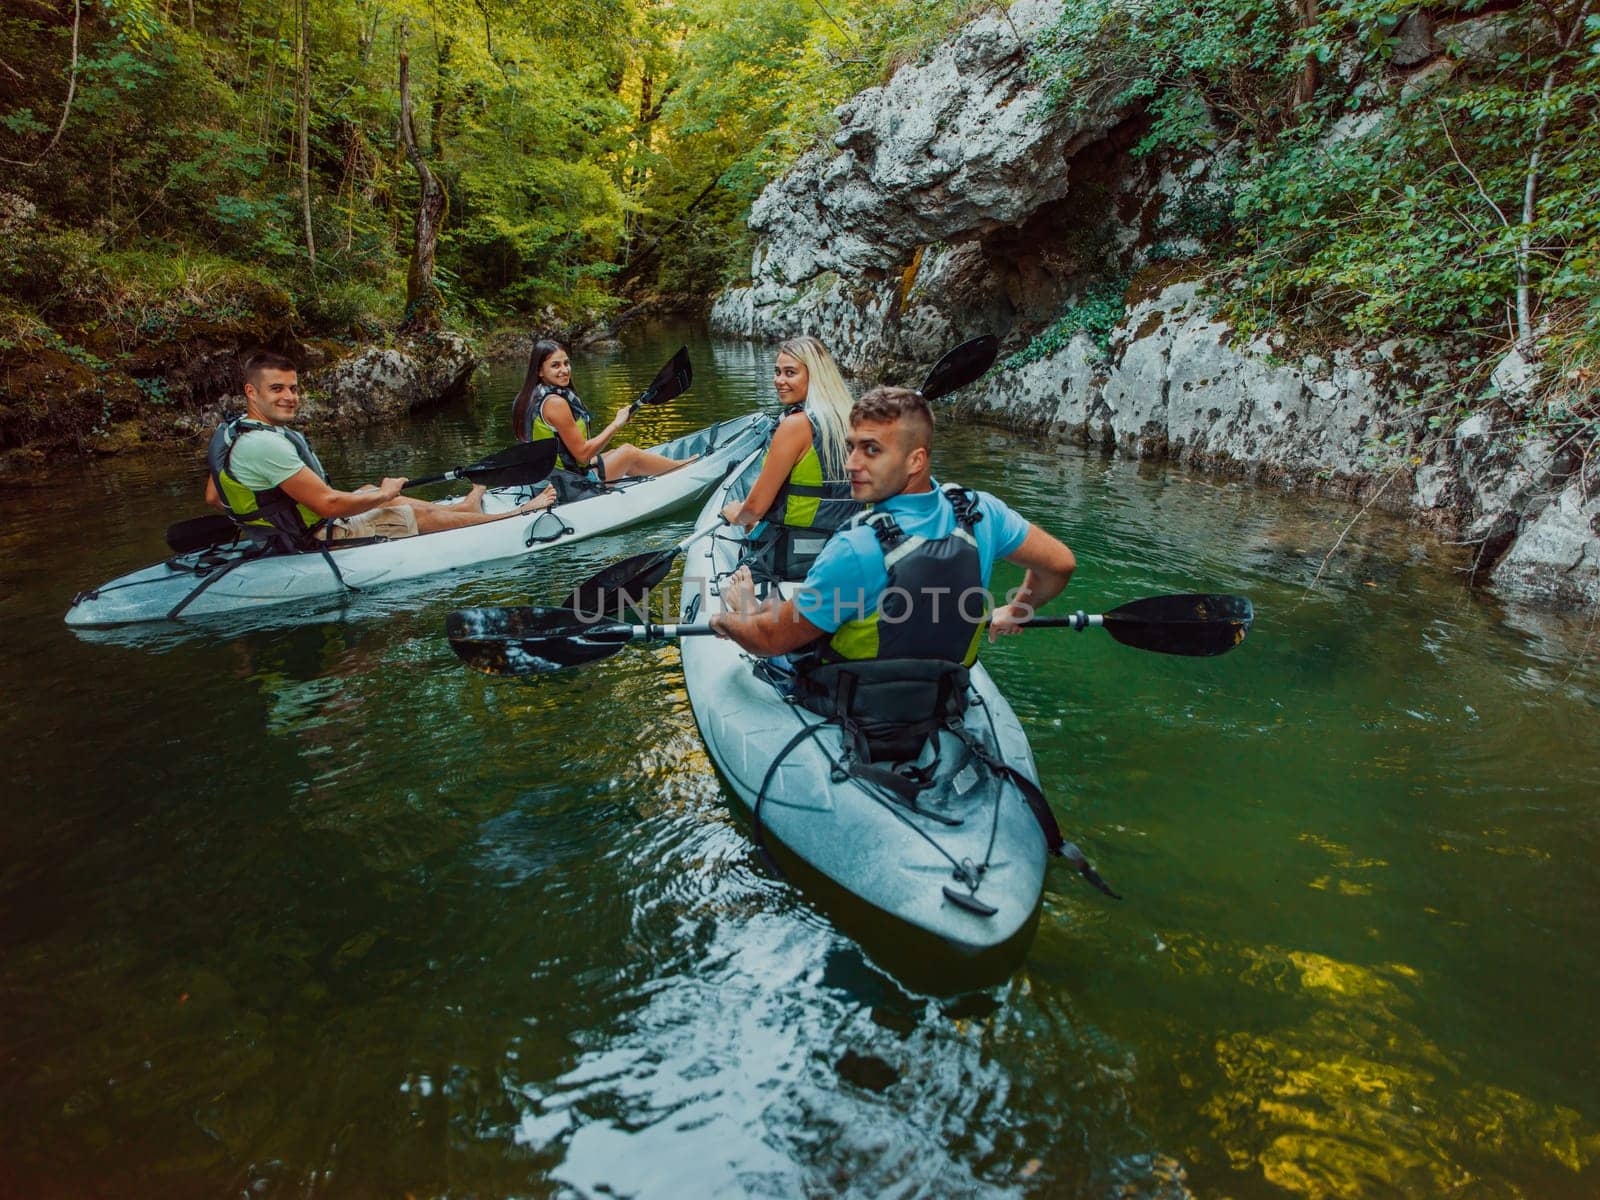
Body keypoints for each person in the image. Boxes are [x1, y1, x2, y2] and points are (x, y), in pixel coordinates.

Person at [709, 383, 1076, 683]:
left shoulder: (855, 546)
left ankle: (747, 606)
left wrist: (726, 620)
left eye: (872, 450)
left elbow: (772, 641)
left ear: (915, 460)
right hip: (944, 691)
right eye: (850, 447)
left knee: (772, 617)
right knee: (795, 608)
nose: (851, 463)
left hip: (855, 698)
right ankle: (758, 608)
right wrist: (1018, 608)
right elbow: (1059, 564)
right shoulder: (982, 511)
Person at [205, 350, 553, 549]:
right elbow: (328, 504)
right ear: (252, 393)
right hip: (312, 537)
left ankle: (464, 506)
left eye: (293, 388)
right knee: (404, 510)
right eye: (277, 389)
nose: (289, 397)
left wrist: (270, 515)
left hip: (285, 533)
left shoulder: (236, 432)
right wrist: (384, 495)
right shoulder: (266, 445)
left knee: (374, 492)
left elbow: (215, 496)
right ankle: (511, 517)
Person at [719, 335, 860, 578]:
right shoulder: (851, 419)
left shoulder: (796, 426)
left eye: (790, 373)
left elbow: (754, 509)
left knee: (737, 582)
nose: (779, 381)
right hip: (850, 550)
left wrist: (737, 515)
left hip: (797, 559)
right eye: (777, 372)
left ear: (814, 376)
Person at [511, 339, 694, 482]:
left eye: (566, 363)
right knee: (628, 452)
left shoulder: (527, 397)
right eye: (555, 365)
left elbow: (570, 452)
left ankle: (677, 468)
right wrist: (616, 424)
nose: (564, 370)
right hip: (566, 487)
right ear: (540, 371)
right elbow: (583, 455)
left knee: (615, 453)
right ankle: (687, 469)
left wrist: (620, 420)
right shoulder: (555, 403)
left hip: (546, 480)